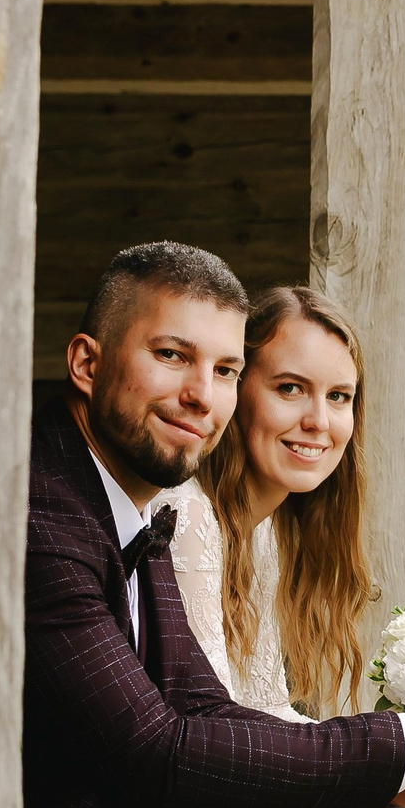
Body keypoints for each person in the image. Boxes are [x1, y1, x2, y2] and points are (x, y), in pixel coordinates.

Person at [22, 242, 405, 808]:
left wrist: (402, 781)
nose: (201, 396)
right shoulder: (40, 515)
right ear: (86, 363)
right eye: (172, 355)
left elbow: (200, 708)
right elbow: (154, 750)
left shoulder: (138, 503)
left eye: (225, 370)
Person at [157, 286, 370, 724]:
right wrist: (395, 754)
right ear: (236, 391)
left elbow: (268, 710)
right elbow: (218, 728)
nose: (318, 422)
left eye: (338, 396)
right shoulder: (187, 514)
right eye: (290, 388)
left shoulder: (264, 533)